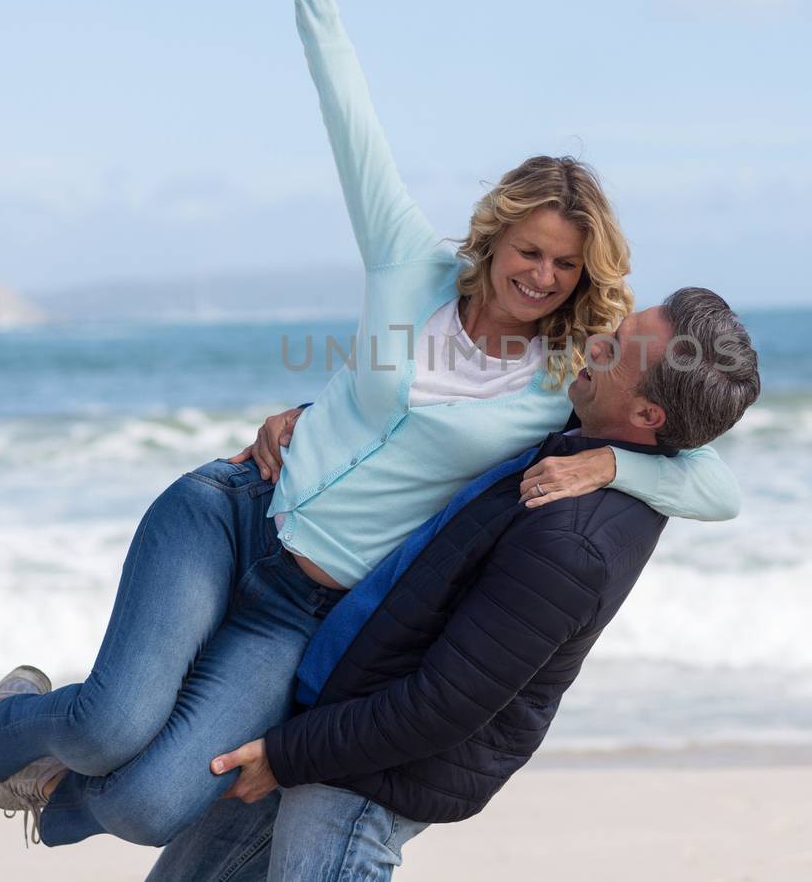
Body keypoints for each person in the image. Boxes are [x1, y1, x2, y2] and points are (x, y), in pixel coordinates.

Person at [0, 0, 741, 849]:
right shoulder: (406, 263)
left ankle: (53, 798)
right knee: (110, 720)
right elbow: (345, 104)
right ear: (499, 233)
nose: (542, 277)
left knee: (147, 804)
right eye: (529, 250)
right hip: (231, 512)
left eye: (566, 267)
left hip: (299, 609)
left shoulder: (560, 386)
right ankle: (7, 719)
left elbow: (715, 482)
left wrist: (613, 472)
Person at [145, 286, 762, 881]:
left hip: (366, 779)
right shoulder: (590, 440)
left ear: (647, 415)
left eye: (615, 349)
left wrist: (287, 756)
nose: (594, 342)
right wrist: (308, 419)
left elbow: (442, 706)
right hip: (338, 727)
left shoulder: (572, 540)